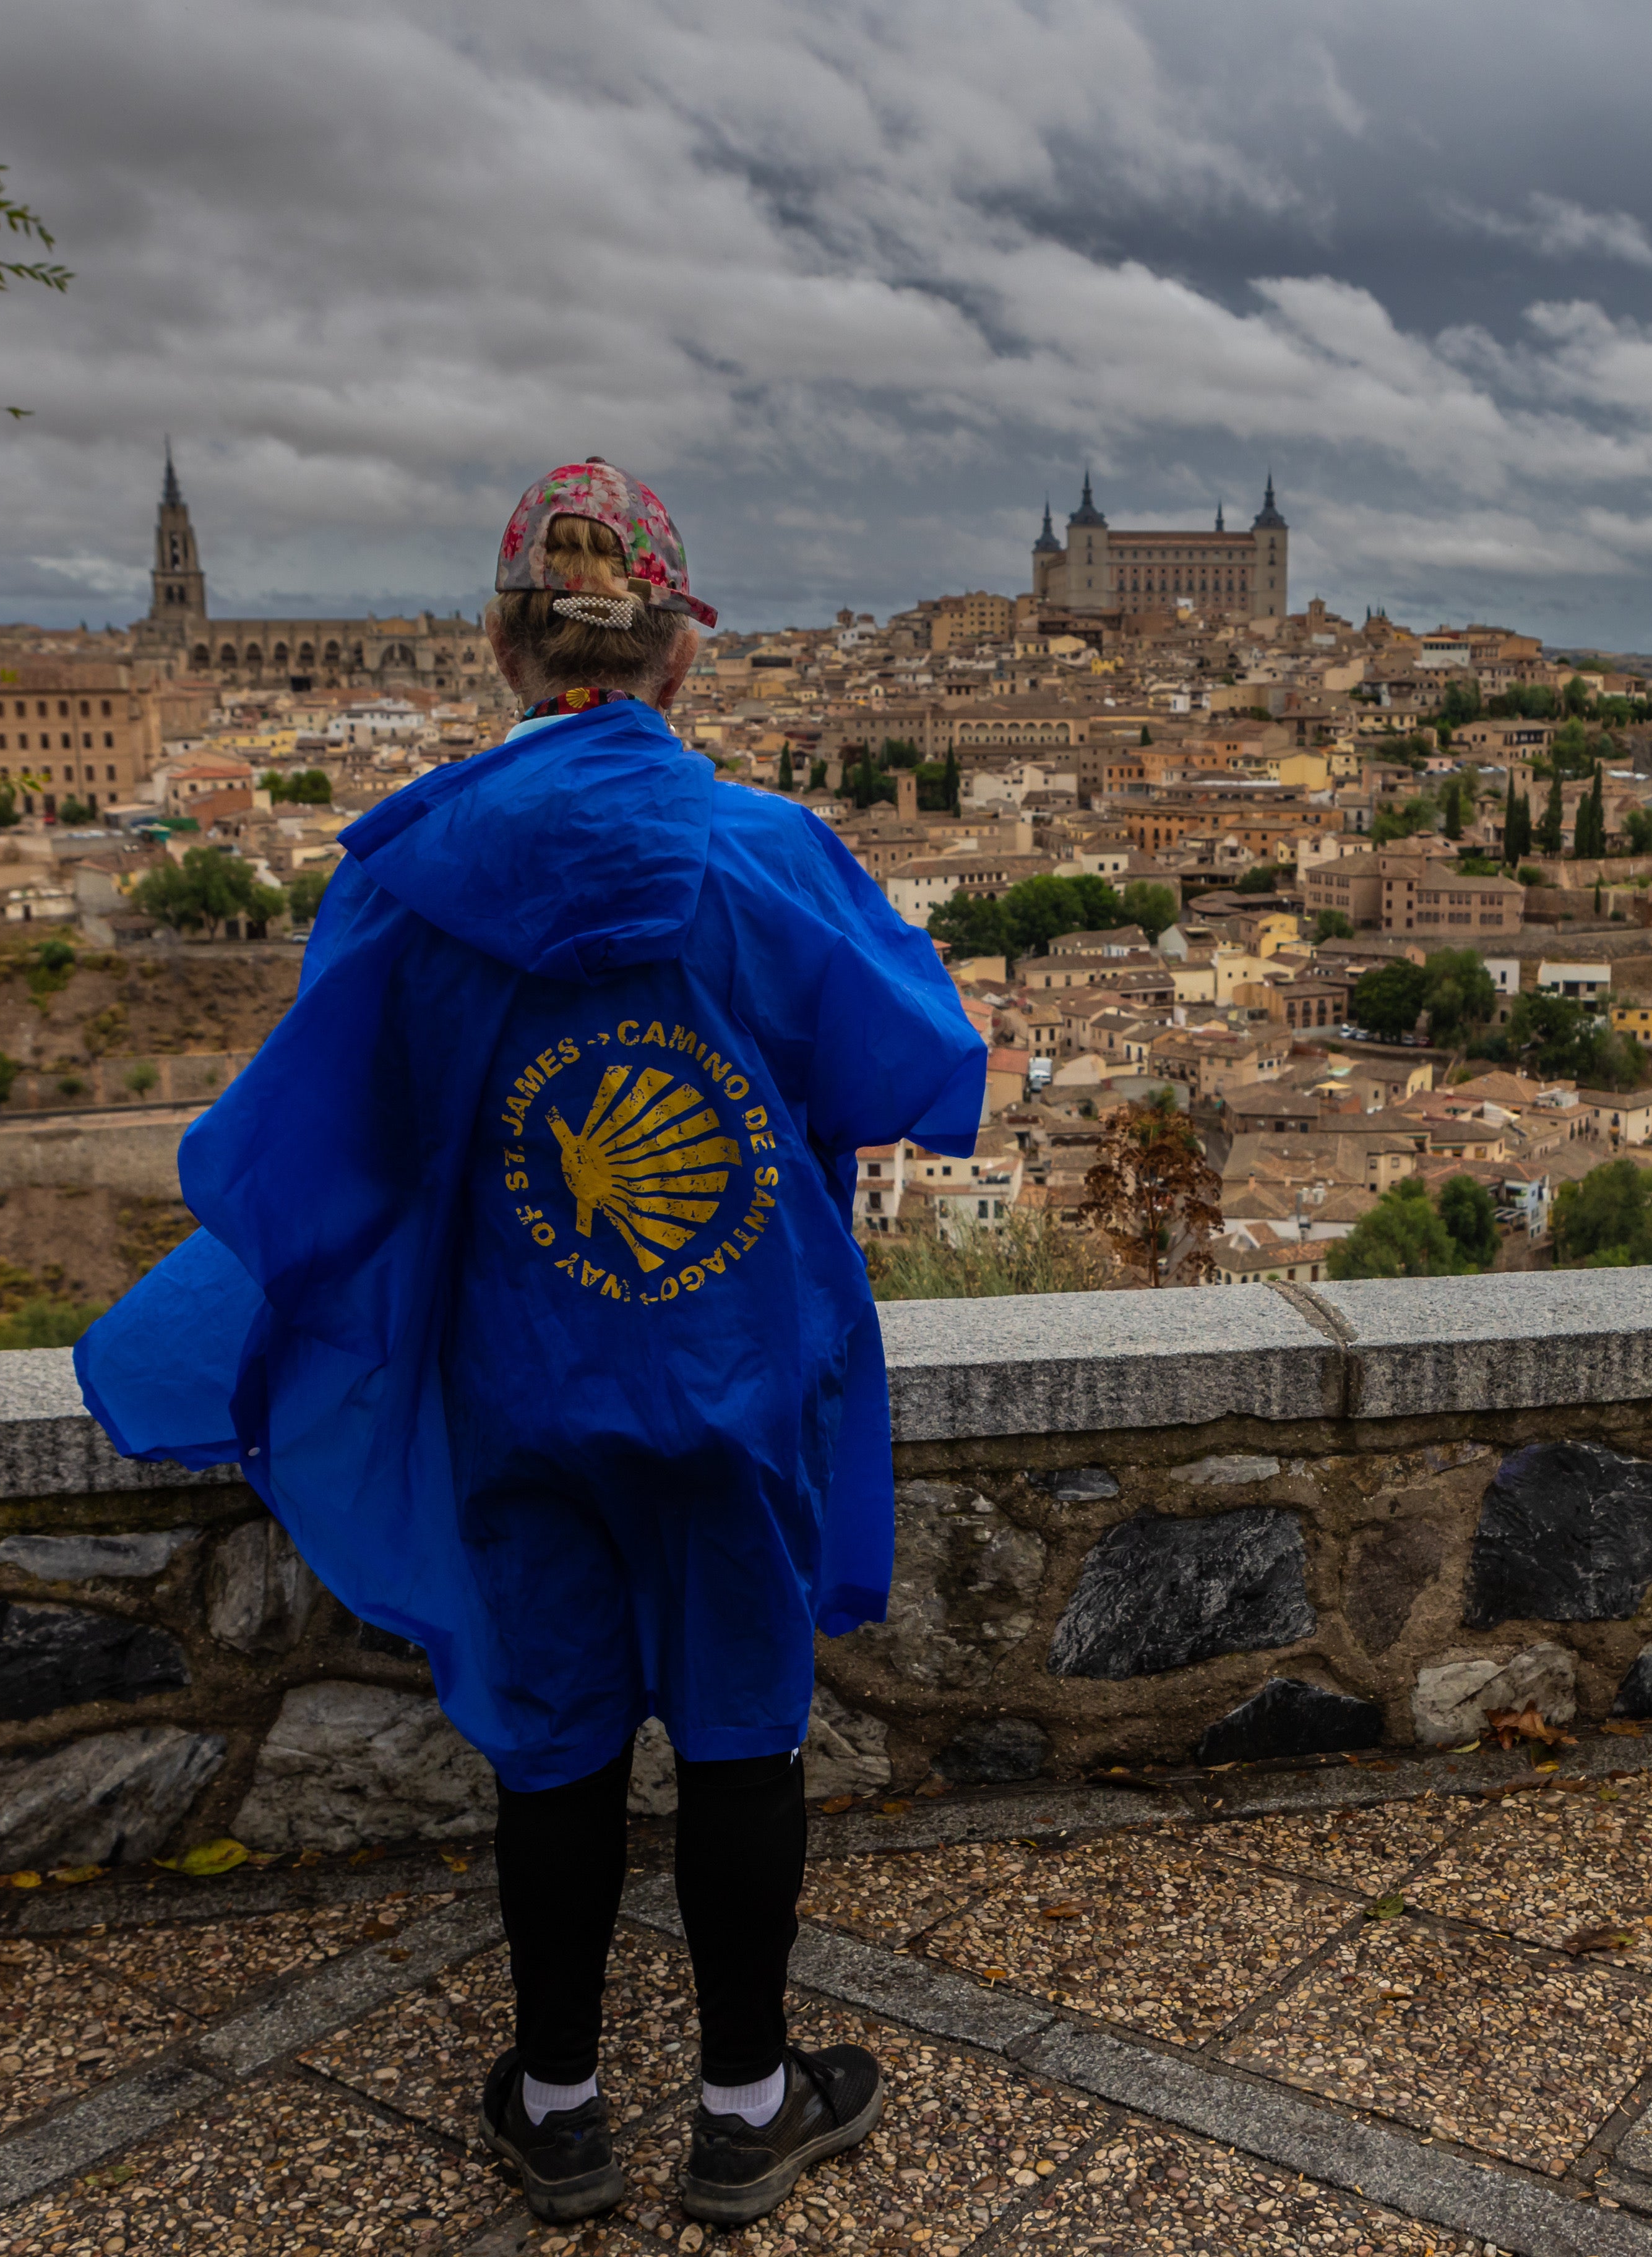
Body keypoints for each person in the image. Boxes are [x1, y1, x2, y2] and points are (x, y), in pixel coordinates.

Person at [73, 458, 986, 2225]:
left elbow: (322, 1145)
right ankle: (744, 2106)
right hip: (732, 1365)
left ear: (503, 647)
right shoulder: (770, 859)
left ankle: (559, 2104)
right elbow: (914, 1070)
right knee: (741, 1734)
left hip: (520, 1375)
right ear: (680, 659)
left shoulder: (414, 878)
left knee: (554, 1739)